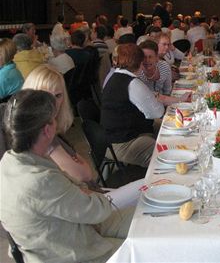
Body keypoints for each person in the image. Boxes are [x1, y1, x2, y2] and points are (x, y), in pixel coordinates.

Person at [0, 90, 134, 263]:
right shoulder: (40, 179)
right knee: (148, 242)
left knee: (145, 217)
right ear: (47, 130)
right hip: (73, 251)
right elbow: (97, 210)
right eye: (54, 119)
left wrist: (81, 193)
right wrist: (83, 193)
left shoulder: (9, 162)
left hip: (69, 231)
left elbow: (77, 194)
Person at [22, 65, 94, 183]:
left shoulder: (50, 128)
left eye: (58, 96)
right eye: (46, 96)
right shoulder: (40, 131)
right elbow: (83, 175)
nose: (53, 103)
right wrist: (76, 163)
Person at [101, 44, 164, 167]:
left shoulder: (114, 77)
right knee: (163, 152)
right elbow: (157, 112)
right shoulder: (132, 83)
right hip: (121, 144)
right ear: (140, 63)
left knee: (164, 127)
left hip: (112, 137)